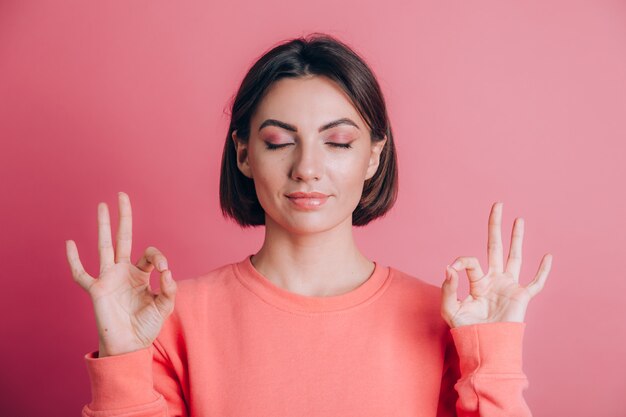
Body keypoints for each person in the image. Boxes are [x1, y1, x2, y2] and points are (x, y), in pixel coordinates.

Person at [65, 33, 553, 417]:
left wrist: (494, 357)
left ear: (373, 157)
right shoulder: (173, 318)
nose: (307, 168)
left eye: (338, 142)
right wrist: (123, 359)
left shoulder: (447, 320)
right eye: (279, 141)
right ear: (244, 153)